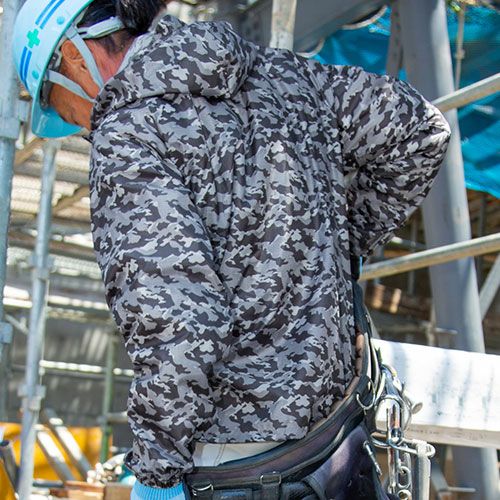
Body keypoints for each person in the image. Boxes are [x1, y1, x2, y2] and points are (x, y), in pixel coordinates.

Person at [13, 0, 451, 498]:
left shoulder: (129, 134)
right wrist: (335, 247)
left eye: (55, 102)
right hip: (338, 441)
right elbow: (419, 130)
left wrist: (156, 474)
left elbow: (181, 326)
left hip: (240, 462)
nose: (74, 123)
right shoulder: (282, 77)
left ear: (74, 56)